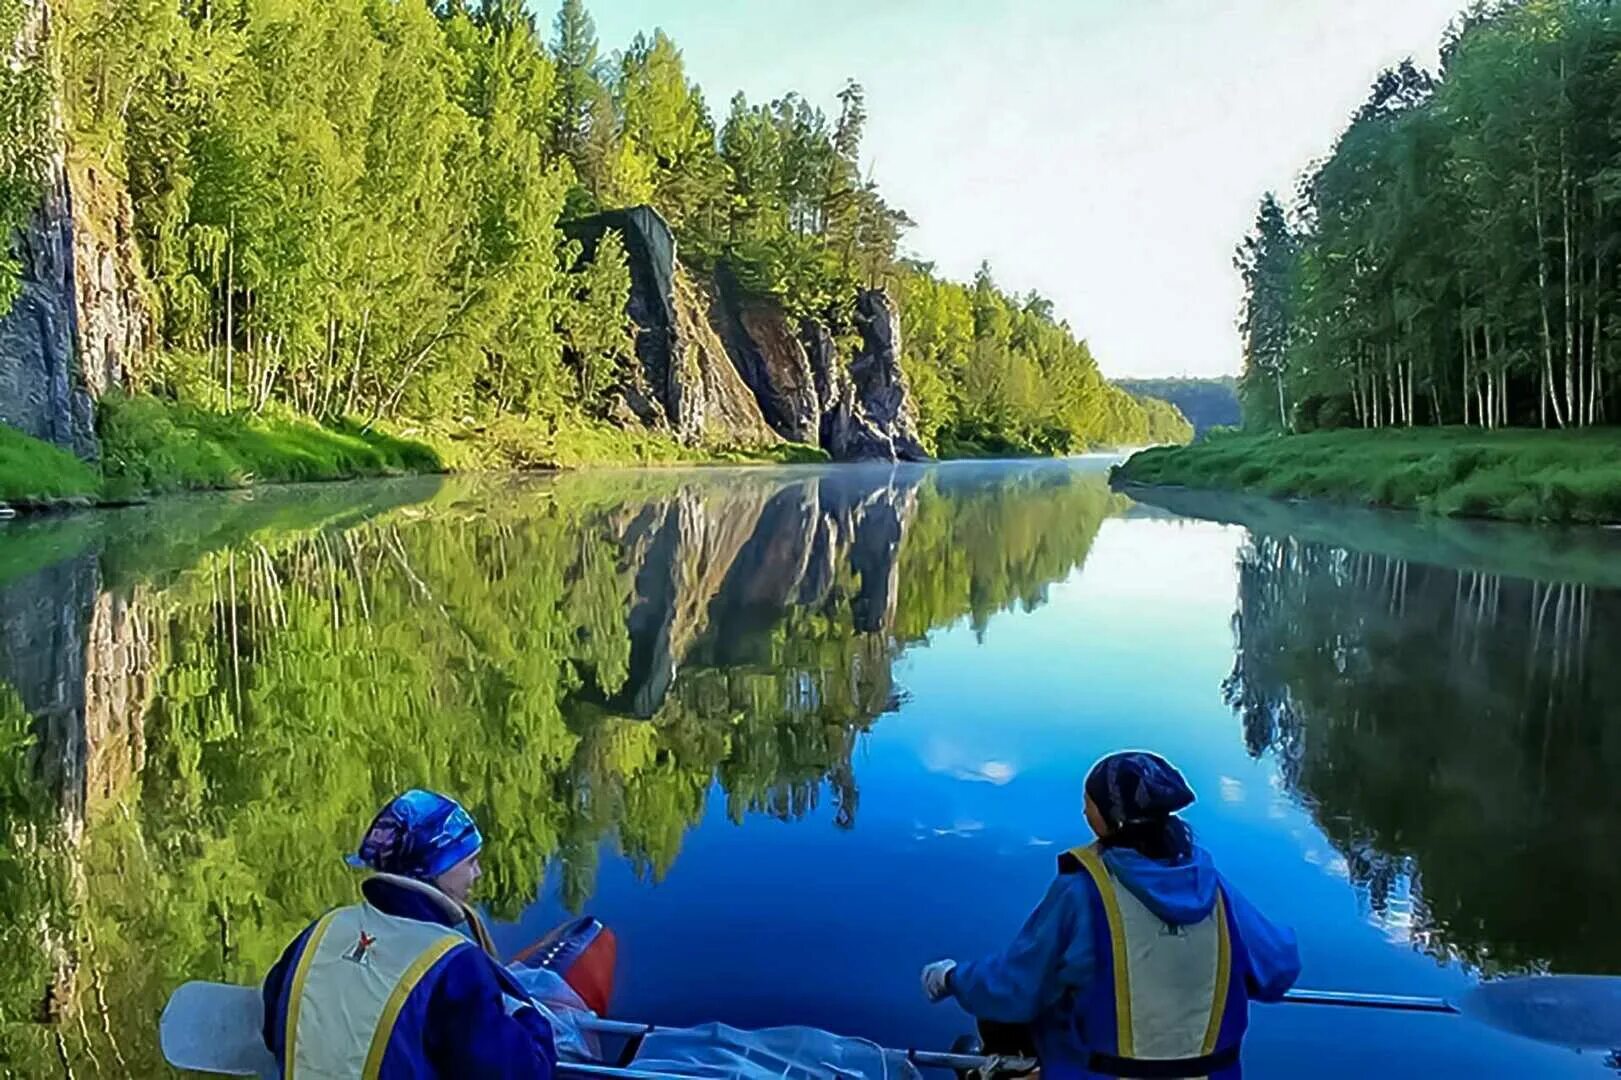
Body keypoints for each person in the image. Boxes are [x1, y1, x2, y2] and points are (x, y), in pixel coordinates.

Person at [920, 751, 1300, 1079]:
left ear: (1105, 819)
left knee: (998, 1022)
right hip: (1208, 1078)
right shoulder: (1215, 891)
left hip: (1101, 1077)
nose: (1084, 809)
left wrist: (951, 979)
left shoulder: (1083, 892)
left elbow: (1015, 986)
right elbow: (1278, 972)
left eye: (1089, 802)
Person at [262, 789, 557, 1078]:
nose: (476, 874)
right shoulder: (454, 963)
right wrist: (528, 1019)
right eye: (469, 861)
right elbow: (522, 1071)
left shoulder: (322, 930)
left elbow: (273, 1026)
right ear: (436, 867)